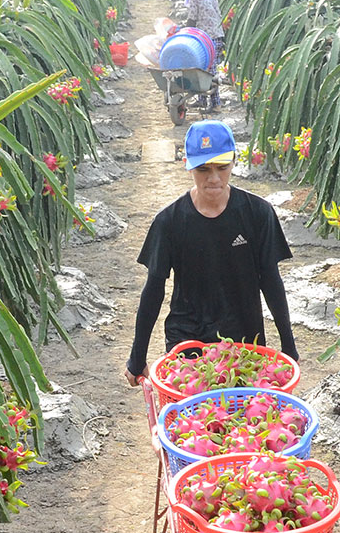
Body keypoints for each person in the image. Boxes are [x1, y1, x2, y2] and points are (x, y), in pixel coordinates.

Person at [125, 121, 298, 387]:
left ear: (234, 162)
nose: (214, 178)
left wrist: (289, 346)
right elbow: (154, 289)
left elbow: (271, 281)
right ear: (188, 164)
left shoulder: (258, 214)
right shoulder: (169, 222)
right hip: (186, 341)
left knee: (241, 421)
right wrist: (137, 358)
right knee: (193, 422)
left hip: (244, 341)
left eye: (222, 167)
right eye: (203, 169)